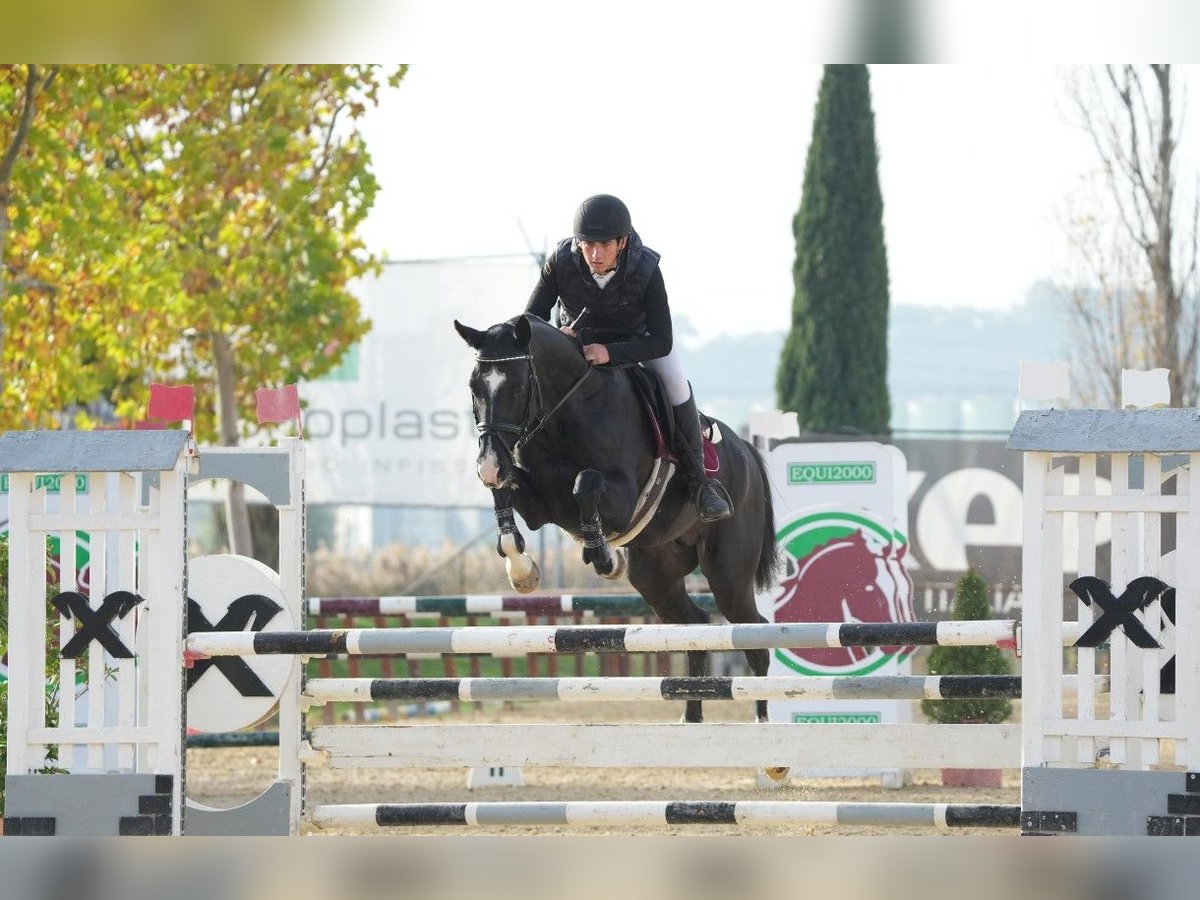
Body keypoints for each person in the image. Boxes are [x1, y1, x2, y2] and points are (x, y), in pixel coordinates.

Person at [524, 193, 733, 523]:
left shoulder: (647, 268)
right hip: (580, 347)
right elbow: (531, 320)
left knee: (676, 384)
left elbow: (662, 340)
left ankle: (700, 484)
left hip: (638, 344)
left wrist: (611, 353)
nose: (594, 254)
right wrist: (558, 335)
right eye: (587, 244)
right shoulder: (561, 262)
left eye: (604, 245)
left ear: (622, 242)